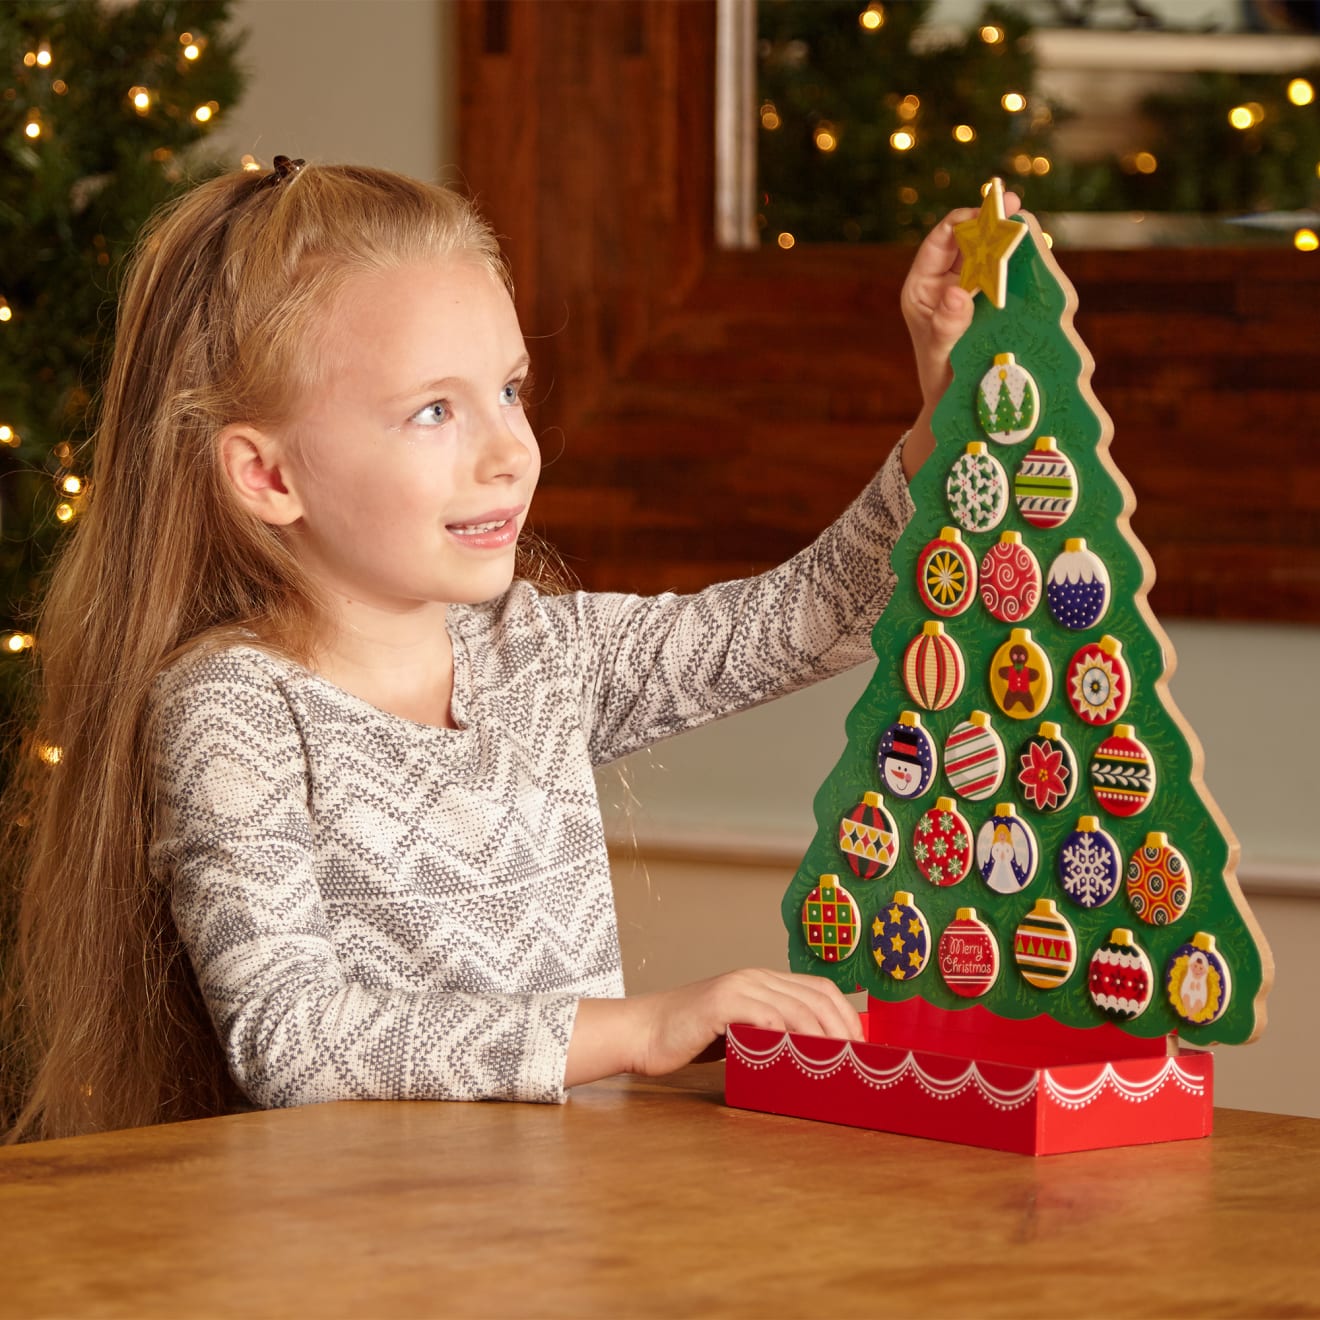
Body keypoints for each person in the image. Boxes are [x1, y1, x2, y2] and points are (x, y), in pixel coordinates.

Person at [1, 157, 1002, 1141]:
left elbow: (811, 618)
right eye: (434, 410)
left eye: (511, 391)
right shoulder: (235, 709)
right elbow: (293, 1038)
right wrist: (643, 1027)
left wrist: (943, 407)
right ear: (267, 477)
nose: (511, 450)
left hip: (560, 1220)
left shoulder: (539, 655)